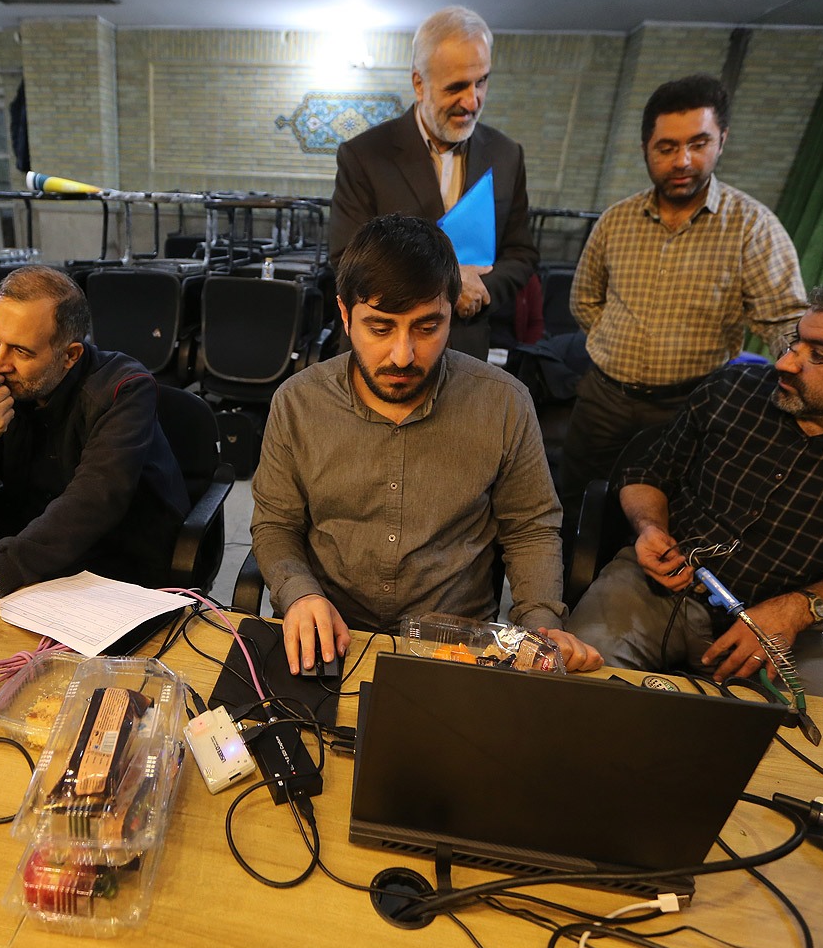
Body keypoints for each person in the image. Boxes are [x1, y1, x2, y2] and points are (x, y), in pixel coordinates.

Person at [566, 273, 823, 695]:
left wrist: (795, 610)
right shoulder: (732, 390)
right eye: (795, 342)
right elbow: (648, 474)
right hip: (651, 589)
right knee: (572, 685)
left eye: (818, 355)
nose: (786, 363)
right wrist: (650, 527)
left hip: (786, 623)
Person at [251, 214, 600, 676]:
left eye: (427, 327)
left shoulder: (503, 403)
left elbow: (531, 528)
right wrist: (299, 592)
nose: (403, 356)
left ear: (452, 312)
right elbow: (275, 524)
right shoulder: (298, 403)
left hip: (456, 647)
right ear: (345, 315)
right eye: (380, 329)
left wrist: (541, 622)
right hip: (330, 635)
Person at [558, 74, 808, 531]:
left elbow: (784, 318)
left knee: (663, 514)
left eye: (698, 143)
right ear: (646, 149)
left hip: (689, 405)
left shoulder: (752, 226)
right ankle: (567, 575)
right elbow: (585, 301)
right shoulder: (616, 221)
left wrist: (808, 372)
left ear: (721, 140)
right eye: (667, 147)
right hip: (604, 399)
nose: (683, 161)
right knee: (575, 498)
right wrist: (618, 343)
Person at [0, 265, 189, 617]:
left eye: (21, 351)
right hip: (31, 530)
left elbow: (94, 500)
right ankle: (34, 597)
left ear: (70, 355)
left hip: (111, 542)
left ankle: (23, 591)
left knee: (2, 570)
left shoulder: (124, 388)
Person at [330, 5, 538, 360]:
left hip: (467, 346)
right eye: (456, 87)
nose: (472, 101)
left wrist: (480, 290)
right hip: (386, 350)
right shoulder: (364, 154)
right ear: (419, 84)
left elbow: (521, 254)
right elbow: (346, 259)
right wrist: (449, 286)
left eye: (481, 81)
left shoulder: (507, 155)